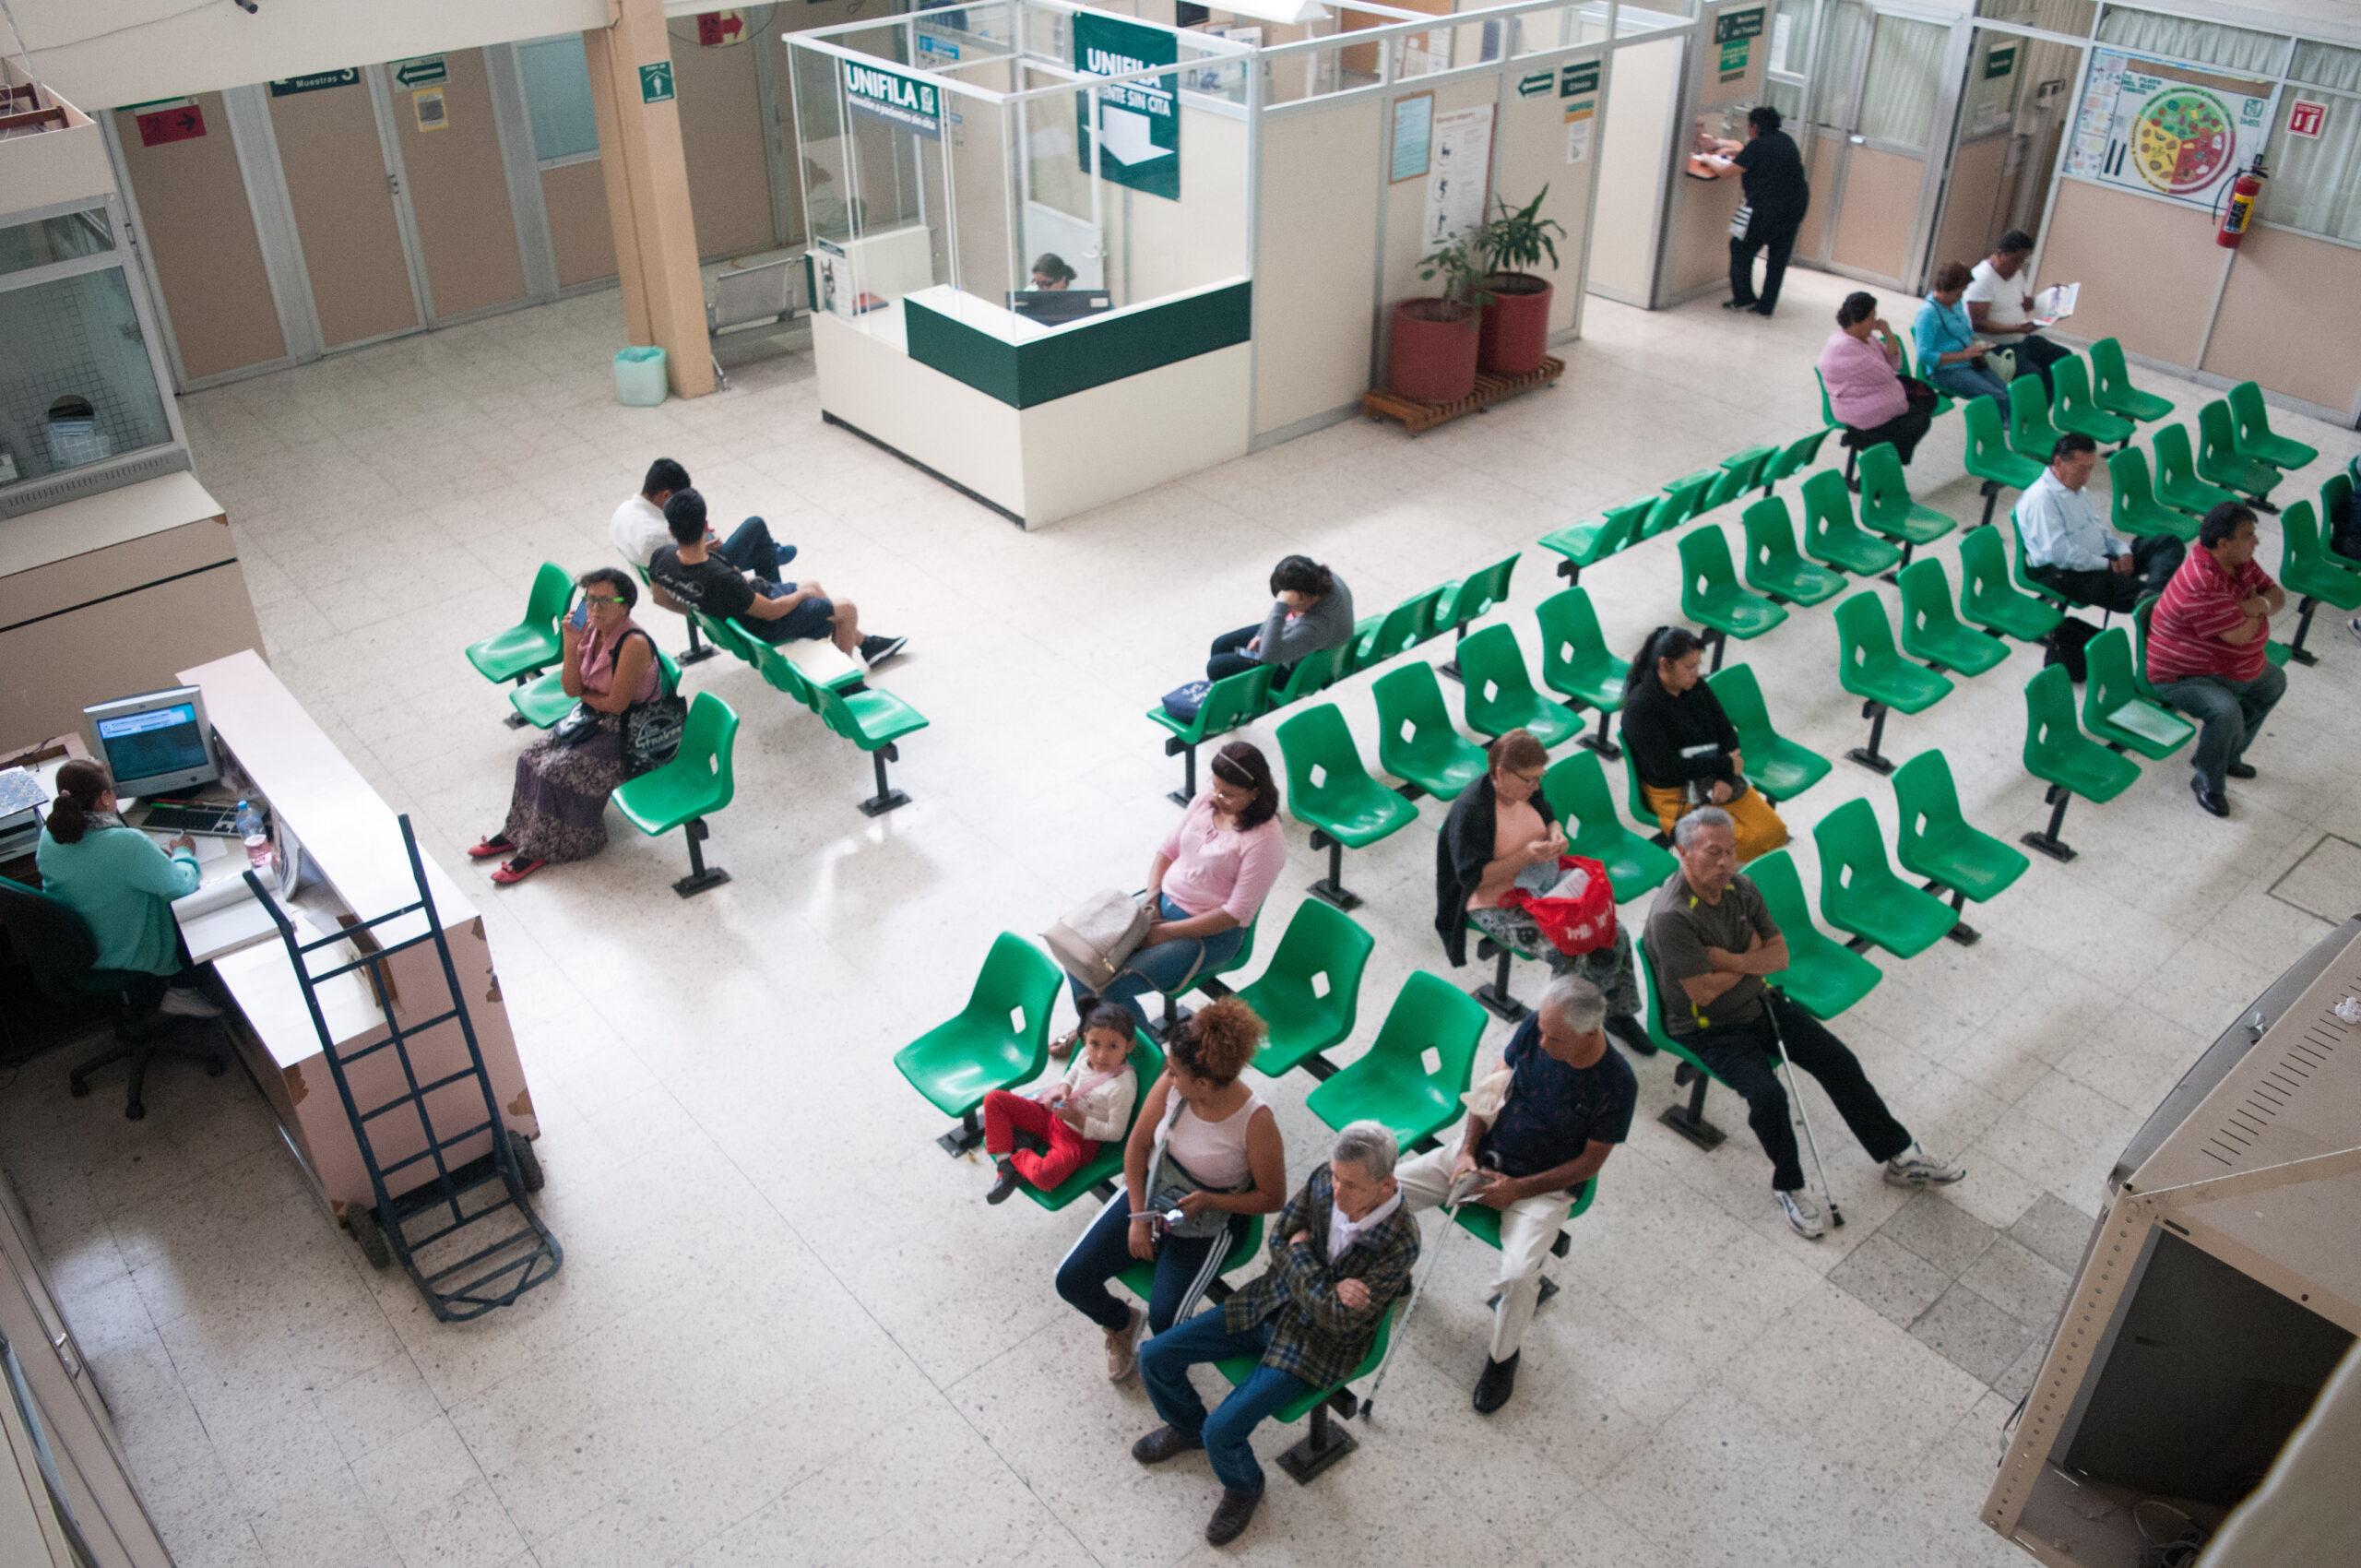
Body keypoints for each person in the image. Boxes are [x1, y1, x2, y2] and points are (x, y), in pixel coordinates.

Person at [1646, 809, 1964, 1240]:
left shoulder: (1741, 887)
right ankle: (1789, 1185)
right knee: (1769, 1097)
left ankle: (1899, 1155)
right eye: (1713, 853)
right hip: (1709, 1028)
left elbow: (1779, 956)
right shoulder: (1672, 917)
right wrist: (1752, 960)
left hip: (1761, 1001)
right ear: (1682, 852)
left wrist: (1730, 961)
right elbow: (1702, 993)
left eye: (1732, 851)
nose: (1726, 863)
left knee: (1838, 1060)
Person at [1133, 1120, 1417, 1547]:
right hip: (1269, 1302)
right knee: (1153, 1356)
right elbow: (1281, 1238)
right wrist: (1316, 1274)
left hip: (1318, 1344)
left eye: (1352, 1185)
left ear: (1386, 1184)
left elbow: (1340, 1319)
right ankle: (1185, 1425)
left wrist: (1301, 1255)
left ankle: (1244, 1485)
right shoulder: (1328, 1177)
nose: (1337, 1192)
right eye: (1336, 1176)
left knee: (1222, 1432)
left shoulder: (1402, 1242)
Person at [1393, 973, 1632, 1414]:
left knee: (1521, 1274)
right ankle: (1394, 1269)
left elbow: (1590, 1163)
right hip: (1484, 1153)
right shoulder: (1540, 1027)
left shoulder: (1617, 1084)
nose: (1541, 1044)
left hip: (1543, 1189)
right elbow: (1493, 1085)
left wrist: (1517, 1190)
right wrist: (1466, 1151)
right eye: (1540, 1029)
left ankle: (1502, 1359)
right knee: (1388, 1193)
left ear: (1590, 1034)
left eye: (1555, 1038)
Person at [1053, 998, 1285, 1381]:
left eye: (1175, 1073)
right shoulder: (1174, 1082)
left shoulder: (1256, 1123)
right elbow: (1137, 1147)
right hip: (1155, 1190)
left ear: (1205, 1084)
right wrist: (1138, 1220)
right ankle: (1121, 1322)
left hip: (1206, 1215)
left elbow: (1272, 1197)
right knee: (1071, 1279)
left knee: (1167, 1319)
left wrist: (1209, 1200)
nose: (1166, 1075)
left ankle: (1174, 1392)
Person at [1437, 730, 1653, 1057]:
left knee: (1613, 932)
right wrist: (1526, 856)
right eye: (1529, 780)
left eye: (1540, 778)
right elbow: (1474, 879)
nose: (1536, 786)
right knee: (1567, 950)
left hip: (1541, 883)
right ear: (1499, 773)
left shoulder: (1526, 790)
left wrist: (1556, 832)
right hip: (1496, 900)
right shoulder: (1473, 811)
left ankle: (1616, 1012)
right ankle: (1556, 1034)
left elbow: (1548, 813)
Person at [1054, 742, 1283, 1045]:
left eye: (1228, 793)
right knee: (1080, 958)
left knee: (1113, 987)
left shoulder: (1266, 841)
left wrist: (1166, 933)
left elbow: (1235, 915)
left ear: (1255, 793)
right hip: (1160, 904)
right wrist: (1151, 898)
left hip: (1208, 932)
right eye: (1214, 786)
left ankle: (1144, 1065)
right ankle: (1094, 1035)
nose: (1217, 796)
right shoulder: (1207, 802)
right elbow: (1167, 851)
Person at [469, 568, 661, 884]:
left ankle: (547, 847)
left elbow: (616, 705)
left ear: (625, 606)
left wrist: (588, 696)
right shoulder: (588, 631)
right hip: (592, 715)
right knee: (530, 758)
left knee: (556, 771)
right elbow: (572, 688)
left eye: (603, 601)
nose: (594, 608)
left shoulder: (633, 643)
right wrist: (571, 643)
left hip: (630, 732)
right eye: (590, 600)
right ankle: (516, 832)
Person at [34, 761, 219, 1018]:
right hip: (119, 948)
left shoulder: (49, 834)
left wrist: (150, 860)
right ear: (105, 798)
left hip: (81, 945)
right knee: (201, 908)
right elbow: (182, 887)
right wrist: (183, 853)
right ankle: (182, 989)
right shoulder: (126, 844)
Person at [647, 488, 905, 666]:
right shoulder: (722, 578)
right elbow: (770, 612)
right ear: (705, 525)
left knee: (814, 586)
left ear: (671, 530)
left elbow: (660, 599)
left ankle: (865, 645)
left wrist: (695, 607)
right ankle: (847, 681)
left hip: (741, 608)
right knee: (846, 608)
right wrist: (802, 595)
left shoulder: (662, 558)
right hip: (764, 624)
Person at [2145, 503, 2288, 819]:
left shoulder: (2239, 561)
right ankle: (2208, 781)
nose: (2256, 542)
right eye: (2248, 536)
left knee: (2273, 682)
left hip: (2226, 666)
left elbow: (2278, 596)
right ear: (2223, 543)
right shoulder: (2202, 581)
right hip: (2182, 674)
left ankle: (2226, 755)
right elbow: (2238, 636)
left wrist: (2253, 605)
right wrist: (2256, 611)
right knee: (2226, 712)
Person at [1619, 625, 1788, 862]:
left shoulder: (1695, 687)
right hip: (1675, 791)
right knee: (1733, 847)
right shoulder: (1641, 708)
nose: (1696, 673)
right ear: (1665, 665)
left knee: (1774, 832)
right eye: (1690, 667)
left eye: (1698, 665)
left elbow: (1727, 733)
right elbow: (1666, 768)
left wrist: (1725, 778)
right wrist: (1726, 765)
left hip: (1713, 776)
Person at [982, 996, 1139, 1204]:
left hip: (1078, 1140)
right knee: (994, 1099)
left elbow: (1116, 1133)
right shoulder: (1085, 1053)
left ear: (1129, 1046)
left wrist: (1078, 1119)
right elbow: (1072, 1073)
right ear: (1083, 1038)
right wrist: (1062, 1088)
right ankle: (1006, 1166)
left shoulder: (1123, 1087)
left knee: (1044, 1177)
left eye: (1113, 1046)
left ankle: (1020, 1152)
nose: (1101, 1055)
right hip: (1052, 1115)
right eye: (1094, 1044)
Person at [2017, 434, 2184, 613]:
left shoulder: (2075, 488)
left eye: (2090, 469)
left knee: (2167, 543)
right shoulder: (2041, 500)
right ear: (2058, 462)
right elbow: (2060, 553)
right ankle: (2151, 600)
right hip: (2069, 573)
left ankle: (2153, 592)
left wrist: (2122, 551)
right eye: (2081, 469)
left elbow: (2097, 527)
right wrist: (2106, 565)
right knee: (2142, 600)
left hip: (2102, 559)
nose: (2086, 476)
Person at [1699, 106, 1809, 318]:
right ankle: (1766, 306)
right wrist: (1734, 151)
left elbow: (1725, 172)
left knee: (1740, 248)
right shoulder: (1785, 140)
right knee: (1777, 260)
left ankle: (1743, 298)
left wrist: (1707, 158)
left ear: (1754, 127)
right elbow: (1759, 157)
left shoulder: (1757, 147)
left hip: (1766, 211)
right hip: (1794, 209)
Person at [609, 457, 793, 578]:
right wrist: (705, 548)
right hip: (700, 579)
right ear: (665, 496)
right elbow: (688, 559)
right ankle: (772, 551)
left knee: (764, 554)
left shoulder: (622, 511)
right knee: (755, 525)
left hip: (670, 577)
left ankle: (770, 552)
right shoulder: (655, 534)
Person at [1819, 291, 1932, 466]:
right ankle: (1870, 447)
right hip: (1856, 409)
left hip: (1875, 396)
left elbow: (1895, 363)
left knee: (1927, 403)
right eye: (1871, 318)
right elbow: (1887, 374)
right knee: (1919, 419)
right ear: (1857, 321)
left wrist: (1887, 332)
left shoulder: (1867, 338)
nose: (1874, 324)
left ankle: (1875, 450)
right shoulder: (1844, 348)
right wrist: (1890, 378)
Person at [1204, 556, 1355, 682]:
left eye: (1288, 602)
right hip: (1297, 636)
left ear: (1301, 597)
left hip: (1293, 668)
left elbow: (1269, 656)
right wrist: (1260, 635)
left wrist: (1281, 605)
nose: (1286, 605)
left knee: (1217, 667)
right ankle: (1232, 688)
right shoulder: (1324, 579)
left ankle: (1243, 697)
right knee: (1220, 645)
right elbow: (1282, 613)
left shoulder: (1316, 626)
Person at [1964, 230, 2070, 393]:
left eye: (2023, 261)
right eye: (2016, 261)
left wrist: (2051, 297)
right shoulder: (1981, 279)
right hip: (1992, 348)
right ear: (2001, 254)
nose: (2019, 266)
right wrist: (2018, 328)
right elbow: (1978, 324)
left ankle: (2038, 414)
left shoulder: (2016, 274)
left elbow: (2022, 304)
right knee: (2032, 375)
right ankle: (2018, 416)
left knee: (2062, 358)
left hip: (2018, 340)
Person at [1913, 261, 2009, 414]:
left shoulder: (1955, 304)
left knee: (2007, 392)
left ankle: (2012, 424)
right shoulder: (1928, 314)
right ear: (1945, 290)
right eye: (1958, 293)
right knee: (1996, 397)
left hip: (1969, 361)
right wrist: (1963, 355)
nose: (1960, 298)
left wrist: (1978, 344)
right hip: (1945, 371)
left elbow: (1966, 331)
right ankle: (2008, 429)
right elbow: (1924, 355)